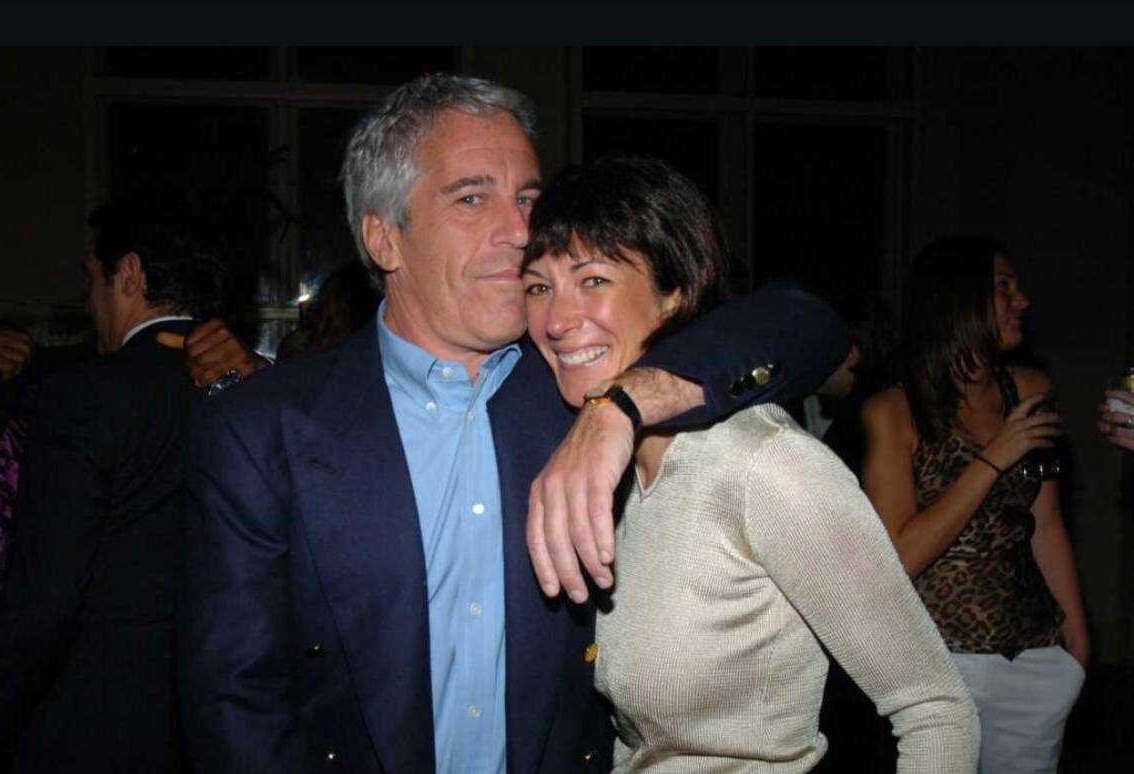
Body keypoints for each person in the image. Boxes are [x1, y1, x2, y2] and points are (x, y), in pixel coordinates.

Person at [178, 74, 853, 774]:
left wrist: (622, 407)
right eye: (472, 199)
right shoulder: (263, 429)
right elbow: (235, 702)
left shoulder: (582, 379)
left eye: (528, 199)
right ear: (384, 238)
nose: (520, 232)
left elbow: (809, 324)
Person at [521, 155, 979, 773]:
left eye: (593, 280)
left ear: (674, 294)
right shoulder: (609, 473)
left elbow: (937, 710)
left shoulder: (762, 464)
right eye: (539, 287)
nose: (556, 320)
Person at [0, 196, 229, 774]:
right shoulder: (250, 388)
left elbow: (44, 598)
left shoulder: (85, 396)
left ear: (127, 274)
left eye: (89, 277)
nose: (87, 299)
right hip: (213, 719)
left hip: (96, 724)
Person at [860, 236, 1089, 774]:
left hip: (1033, 656)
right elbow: (898, 558)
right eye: (1003, 287)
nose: (1022, 301)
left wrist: (1077, 642)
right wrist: (992, 459)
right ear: (957, 302)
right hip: (935, 663)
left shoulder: (1030, 389)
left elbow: (1044, 520)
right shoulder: (892, 412)